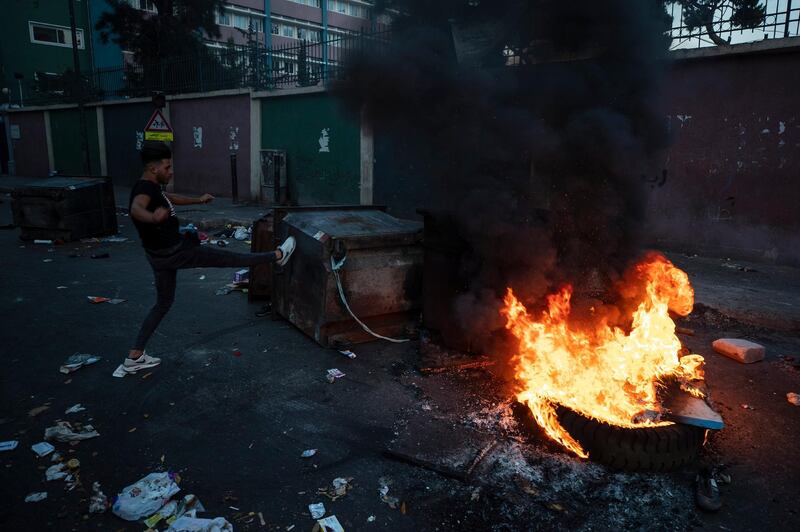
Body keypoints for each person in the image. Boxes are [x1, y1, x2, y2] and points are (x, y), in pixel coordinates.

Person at [120, 141, 295, 375]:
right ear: (154, 168)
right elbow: (135, 209)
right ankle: (277, 255)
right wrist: (153, 218)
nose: (171, 172)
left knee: (163, 303)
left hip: (159, 257)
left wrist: (197, 200)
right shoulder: (143, 192)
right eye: (168, 167)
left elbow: (169, 198)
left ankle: (135, 356)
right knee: (229, 258)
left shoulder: (151, 187)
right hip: (175, 252)